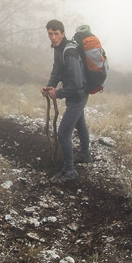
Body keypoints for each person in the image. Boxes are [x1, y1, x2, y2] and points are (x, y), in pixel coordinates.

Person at [41, 19, 91, 182]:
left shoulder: (69, 52)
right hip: (75, 95)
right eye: (50, 34)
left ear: (62, 34)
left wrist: (59, 93)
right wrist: (49, 87)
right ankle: (85, 155)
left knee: (63, 133)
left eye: (56, 34)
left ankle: (69, 171)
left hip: (78, 95)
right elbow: (56, 71)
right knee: (80, 122)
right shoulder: (58, 49)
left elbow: (77, 84)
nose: (53, 37)